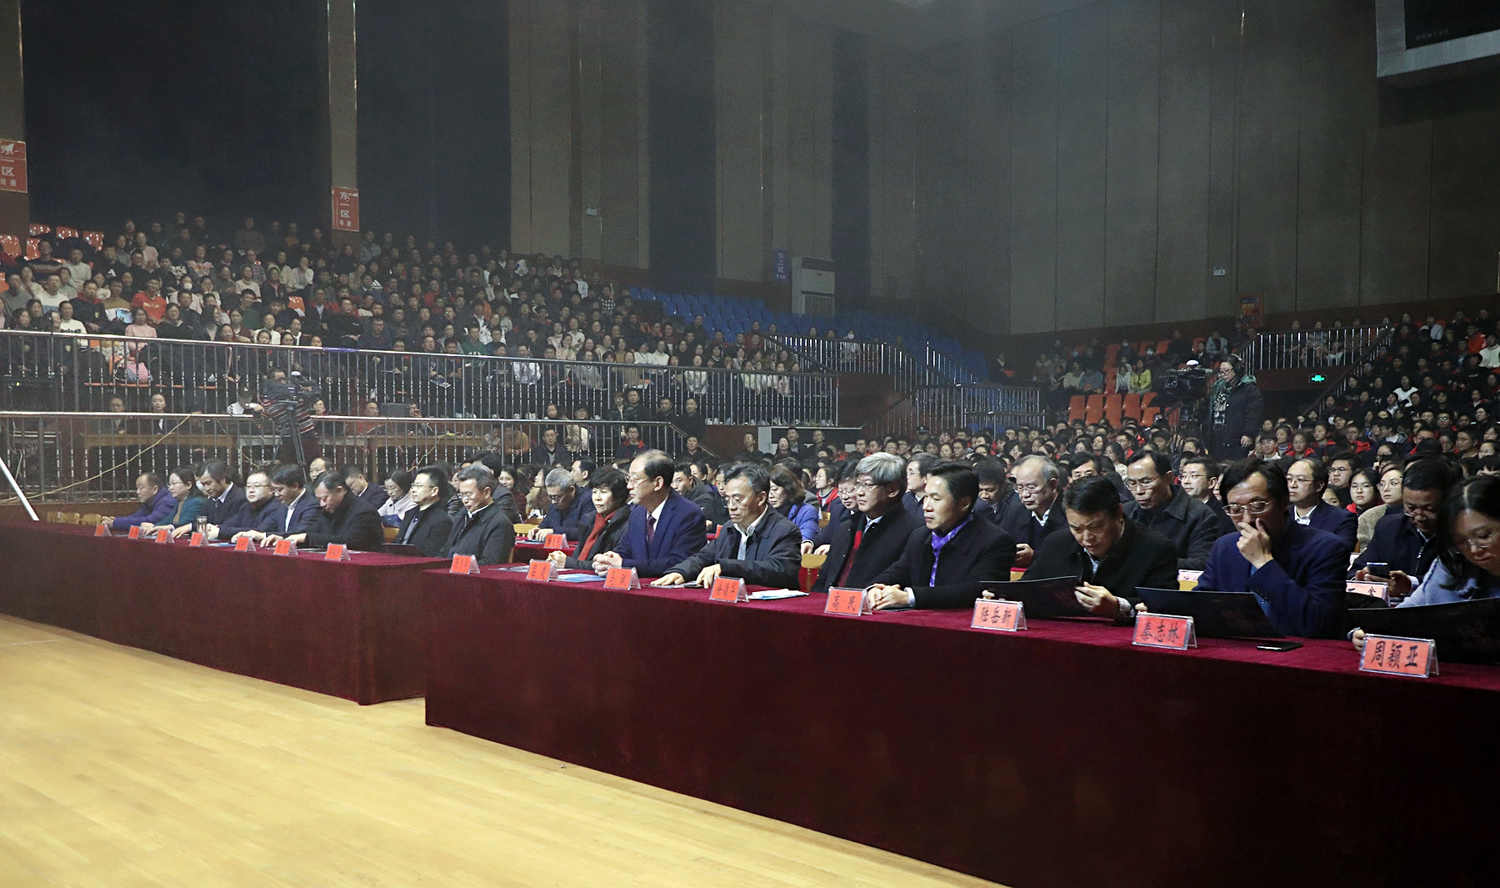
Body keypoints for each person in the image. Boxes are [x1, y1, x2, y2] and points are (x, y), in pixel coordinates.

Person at [1193, 458, 1349, 638]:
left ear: (1284, 502)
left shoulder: (1326, 548)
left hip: (1299, 651)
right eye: (1235, 509)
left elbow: (1317, 624)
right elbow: (1200, 607)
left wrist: (1263, 562)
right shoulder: (1225, 547)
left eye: (1258, 506)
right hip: (1238, 649)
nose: (1247, 519)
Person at [1352, 475, 1500, 651]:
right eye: (1460, 541)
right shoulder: (1451, 564)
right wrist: (1370, 631)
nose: (1474, 549)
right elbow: (1409, 612)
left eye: (1484, 536)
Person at [1022, 475, 1178, 620]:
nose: (1086, 537)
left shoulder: (1156, 549)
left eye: (1095, 527)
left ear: (1118, 513)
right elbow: (1023, 591)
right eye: (1076, 528)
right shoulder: (1057, 543)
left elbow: (1166, 609)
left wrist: (1118, 607)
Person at [867, 462, 1019, 610]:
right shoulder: (920, 535)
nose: (926, 506)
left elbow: (973, 590)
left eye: (936, 499)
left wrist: (910, 597)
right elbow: (899, 571)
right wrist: (876, 588)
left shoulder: (995, 541)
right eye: (926, 497)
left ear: (964, 503)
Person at [651, 463, 802, 589]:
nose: (731, 506)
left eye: (737, 499)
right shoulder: (729, 528)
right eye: (728, 500)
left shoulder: (785, 530)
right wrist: (681, 571)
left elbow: (779, 570)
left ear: (761, 498)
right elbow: (703, 557)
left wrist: (726, 568)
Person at [813, 452, 924, 594]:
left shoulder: (915, 532)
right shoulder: (846, 528)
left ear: (892, 490)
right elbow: (824, 580)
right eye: (858, 484)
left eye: (867, 485)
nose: (859, 492)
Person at [592, 450, 707, 578]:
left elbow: (679, 563)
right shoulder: (637, 513)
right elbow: (624, 551)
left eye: (635, 479)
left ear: (657, 483)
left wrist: (623, 564)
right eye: (628, 479)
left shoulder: (688, 514)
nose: (629, 486)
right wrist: (609, 561)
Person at [1351, 458, 1459, 587]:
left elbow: (1462, 579)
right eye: (1411, 508)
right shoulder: (1388, 527)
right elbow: (1355, 570)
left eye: (1429, 509)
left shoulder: (1462, 533)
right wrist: (1362, 576)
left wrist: (1411, 584)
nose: (1419, 517)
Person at [1121, 451, 1225, 571]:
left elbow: (1202, 563)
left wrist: (1147, 562)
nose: (1139, 491)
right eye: (1132, 483)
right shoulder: (1125, 512)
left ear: (1168, 478)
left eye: (1146, 482)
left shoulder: (1200, 515)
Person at [268, 470, 385, 552]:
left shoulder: (364, 512)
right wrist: (283, 537)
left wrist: (307, 538)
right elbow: (311, 531)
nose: (322, 504)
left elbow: (350, 542)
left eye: (324, 499)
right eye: (319, 499)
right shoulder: (331, 510)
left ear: (339, 491)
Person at [550, 467, 633, 571]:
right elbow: (578, 555)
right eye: (594, 492)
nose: (597, 498)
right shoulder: (590, 519)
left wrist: (569, 563)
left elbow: (608, 564)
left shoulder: (627, 523)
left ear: (619, 496)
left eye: (603, 492)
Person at [998, 455, 1067, 568]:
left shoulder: (1070, 510)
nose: (1025, 495)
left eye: (1031, 487)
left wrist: (1035, 557)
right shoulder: (1015, 510)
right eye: (1020, 488)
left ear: (1053, 484)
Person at [442, 465, 517, 565]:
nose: (464, 500)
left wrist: (456, 565)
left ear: (486, 492)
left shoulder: (500, 523)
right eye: (461, 495)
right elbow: (444, 552)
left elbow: (491, 563)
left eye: (469, 494)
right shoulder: (461, 516)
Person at [1284, 457, 1357, 549]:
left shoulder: (1342, 519)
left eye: (1300, 480)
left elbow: (1340, 551)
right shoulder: (1280, 515)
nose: (1292, 485)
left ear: (1319, 486)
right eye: (1289, 479)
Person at [1207, 357, 1264, 460]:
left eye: (1226, 371)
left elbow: (1253, 414)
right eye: (1221, 371)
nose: (1223, 374)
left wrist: (1248, 433)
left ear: (1237, 370)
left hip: (1236, 441)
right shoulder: (1217, 388)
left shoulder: (1250, 390)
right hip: (1216, 438)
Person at [392, 466, 455, 557]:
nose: (413, 490)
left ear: (434, 491)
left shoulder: (442, 521)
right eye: (413, 486)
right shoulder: (410, 513)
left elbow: (431, 555)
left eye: (419, 486)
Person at [179, 459, 250, 537]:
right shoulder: (211, 499)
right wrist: (189, 527)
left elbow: (228, 527)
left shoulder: (240, 498)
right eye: (203, 485)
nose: (206, 488)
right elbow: (203, 522)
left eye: (208, 483)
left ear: (222, 479)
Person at [205, 470, 280, 540]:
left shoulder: (276, 507)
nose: (251, 490)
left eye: (256, 486)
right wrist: (214, 528)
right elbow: (228, 525)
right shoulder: (246, 506)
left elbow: (258, 532)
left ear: (271, 489)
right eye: (248, 486)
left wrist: (220, 531)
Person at [139, 467, 207, 535]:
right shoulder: (180, 502)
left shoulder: (197, 502)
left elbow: (184, 524)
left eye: (174, 484)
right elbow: (167, 521)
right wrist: (153, 527)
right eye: (169, 484)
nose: (170, 488)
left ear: (188, 485)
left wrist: (158, 527)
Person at [767, 465, 820, 551]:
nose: (770, 495)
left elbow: (807, 533)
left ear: (788, 488)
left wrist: (806, 542)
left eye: (775, 489)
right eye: (767, 490)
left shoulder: (807, 511)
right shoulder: (764, 510)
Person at [534, 467, 595, 541]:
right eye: (550, 496)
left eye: (557, 497)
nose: (553, 502)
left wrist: (554, 532)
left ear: (571, 490)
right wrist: (538, 530)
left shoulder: (587, 500)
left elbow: (585, 532)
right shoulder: (554, 502)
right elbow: (546, 524)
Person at [105, 473, 175, 532]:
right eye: (137, 488)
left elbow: (149, 520)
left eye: (141, 488)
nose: (138, 492)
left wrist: (116, 523)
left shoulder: (167, 502)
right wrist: (115, 520)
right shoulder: (150, 501)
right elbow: (137, 516)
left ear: (155, 489)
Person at [672, 463, 729, 529]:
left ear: (690, 480)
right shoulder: (670, 497)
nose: (674, 486)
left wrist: (712, 525)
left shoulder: (705, 499)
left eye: (679, 481)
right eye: (671, 482)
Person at [901, 453, 940, 521]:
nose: (907, 477)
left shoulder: (936, 502)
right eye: (906, 473)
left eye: (911, 473)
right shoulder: (904, 498)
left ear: (926, 477)